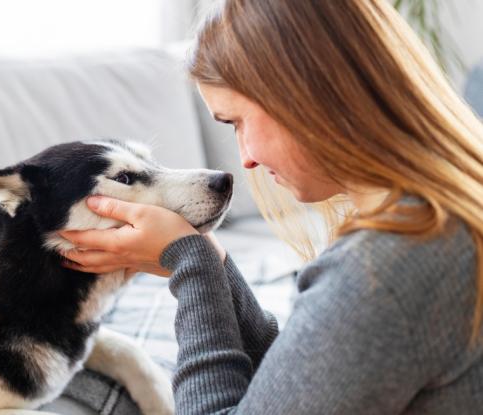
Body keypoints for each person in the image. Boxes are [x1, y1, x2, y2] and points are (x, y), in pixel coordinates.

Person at [59, 0, 483, 413]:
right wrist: (215, 265)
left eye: (238, 121)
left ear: (303, 97)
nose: (245, 159)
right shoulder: (442, 218)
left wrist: (191, 265)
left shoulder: (386, 267)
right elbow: (305, 382)